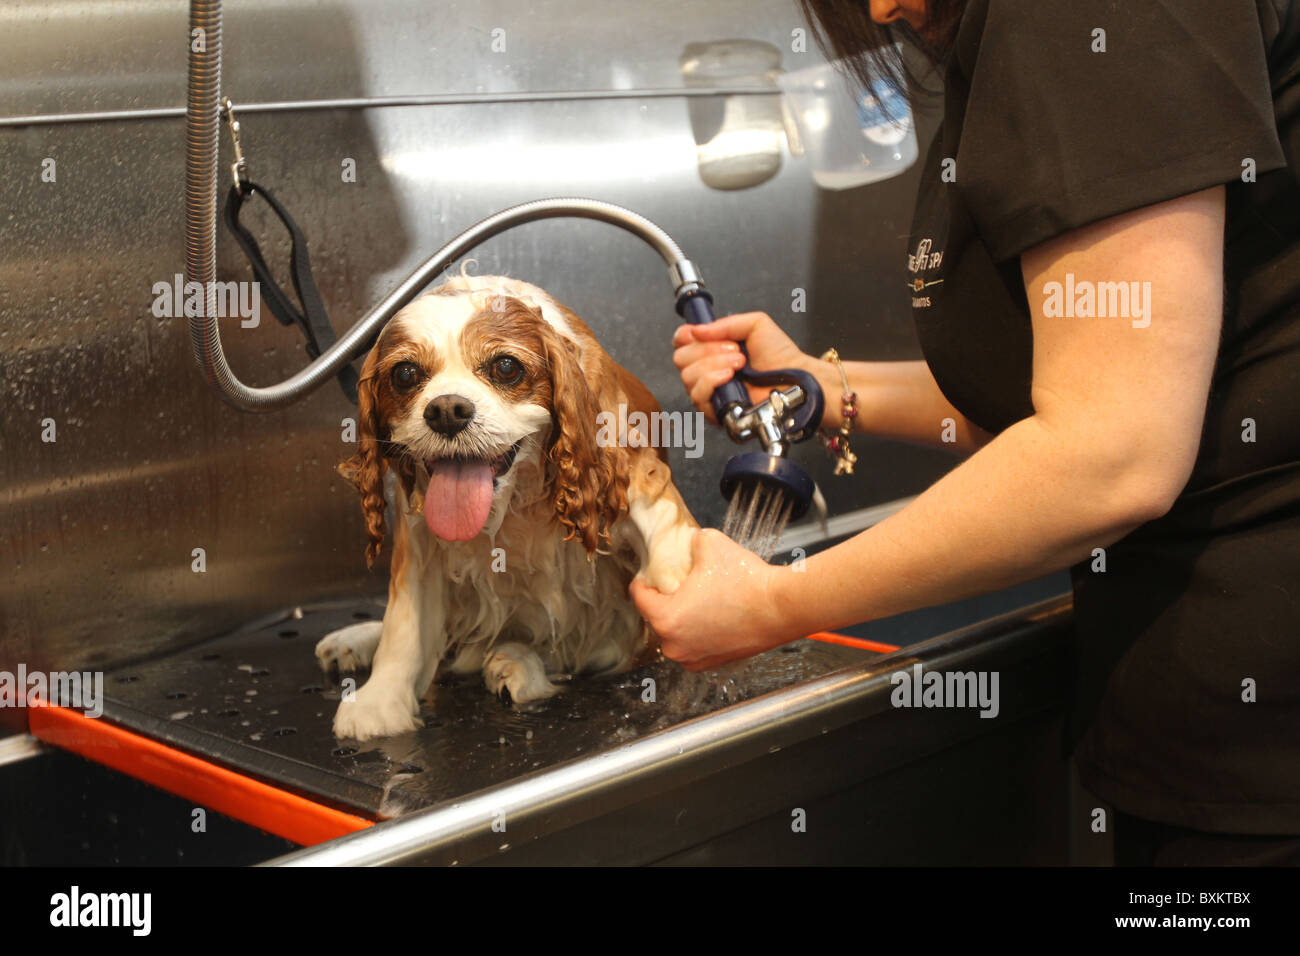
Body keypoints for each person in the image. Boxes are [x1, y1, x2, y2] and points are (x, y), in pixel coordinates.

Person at [630, 0, 1300, 865]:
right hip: (1205, 725)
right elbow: (1064, 398)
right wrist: (823, 388)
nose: (880, 11)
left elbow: (1111, 454)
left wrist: (772, 604)